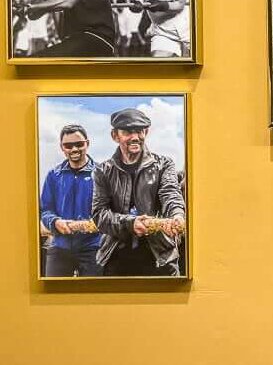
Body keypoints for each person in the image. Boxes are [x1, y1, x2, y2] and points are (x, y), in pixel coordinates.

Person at [91, 108, 186, 277]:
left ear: (146, 132)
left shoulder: (164, 164)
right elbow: (99, 215)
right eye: (127, 132)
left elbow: (170, 193)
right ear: (115, 135)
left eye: (139, 131)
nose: (135, 137)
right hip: (116, 256)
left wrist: (177, 215)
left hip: (160, 256)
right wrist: (131, 223)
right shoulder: (102, 171)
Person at [39, 124, 102, 277]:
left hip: (94, 247)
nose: (74, 149)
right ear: (62, 147)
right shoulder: (53, 175)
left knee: (98, 295)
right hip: (59, 246)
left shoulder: (103, 174)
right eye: (68, 145)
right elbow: (45, 209)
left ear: (87, 143)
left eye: (79, 144)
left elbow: (112, 208)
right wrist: (54, 222)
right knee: (52, 295)